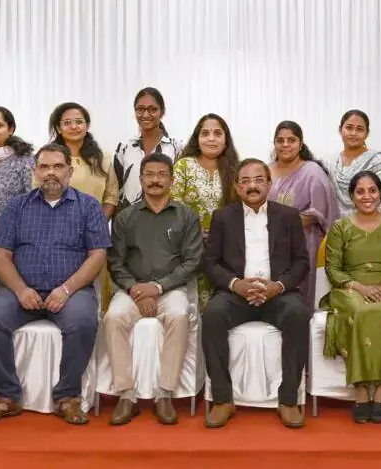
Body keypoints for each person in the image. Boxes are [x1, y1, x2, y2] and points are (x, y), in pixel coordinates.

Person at [0, 143, 111, 426]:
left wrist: (67, 289)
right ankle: (7, 396)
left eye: (58, 167)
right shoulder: (17, 206)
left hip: (71, 292)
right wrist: (21, 289)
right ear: (35, 171)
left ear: (69, 171)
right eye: (44, 167)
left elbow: (98, 255)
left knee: (83, 322)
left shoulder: (88, 207)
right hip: (21, 290)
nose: (51, 173)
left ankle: (67, 398)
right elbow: (0, 254)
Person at [202, 158, 311, 429]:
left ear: (269, 184)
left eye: (258, 180)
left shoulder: (288, 216)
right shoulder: (223, 217)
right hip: (236, 293)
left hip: (278, 293)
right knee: (213, 315)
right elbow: (210, 262)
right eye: (246, 181)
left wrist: (279, 286)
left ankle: (288, 401)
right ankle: (223, 399)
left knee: (298, 314)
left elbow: (301, 262)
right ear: (237, 187)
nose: (252, 186)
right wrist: (235, 284)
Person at [105, 153, 203, 426]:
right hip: (132, 289)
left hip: (170, 289)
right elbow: (115, 260)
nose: (155, 180)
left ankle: (165, 393)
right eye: (149, 174)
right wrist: (136, 289)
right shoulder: (126, 217)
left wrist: (158, 288)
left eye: (162, 175)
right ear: (141, 179)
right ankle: (126, 395)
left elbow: (193, 261)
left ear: (171, 180)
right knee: (113, 318)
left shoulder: (185, 215)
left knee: (179, 316)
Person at [320, 170, 381, 424]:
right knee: (360, 311)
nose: (367, 196)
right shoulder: (340, 226)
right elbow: (333, 268)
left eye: (372, 190)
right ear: (351, 196)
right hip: (349, 289)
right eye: (360, 191)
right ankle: (361, 388)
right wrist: (359, 287)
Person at [171, 113, 242, 308]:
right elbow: (175, 207)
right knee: (189, 306)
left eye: (217, 133)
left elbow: (240, 210)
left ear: (225, 140)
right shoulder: (183, 166)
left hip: (225, 249)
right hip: (188, 247)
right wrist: (196, 233)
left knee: (219, 304)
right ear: (197, 138)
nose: (211, 138)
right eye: (205, 133)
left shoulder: (235, 170)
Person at [268, 120, 337, 309]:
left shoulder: (312, 172)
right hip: (270, 243)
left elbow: (320, 213)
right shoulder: (266, 171)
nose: (285, 144)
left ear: (300, 144)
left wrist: (282, 222)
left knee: (300, 296)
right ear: (274, 144)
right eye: (280, 140)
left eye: (291, 140)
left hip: (304, 243)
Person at [113, 87, 186, 209]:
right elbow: (116, 189)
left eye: (152, 109)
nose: (146, 114)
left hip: (166, 218)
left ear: (162, 112)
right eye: (140, 109)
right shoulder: (125, 147)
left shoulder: (177, 147)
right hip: (129, 220)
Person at [328, 109, 381, 218]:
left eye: (359, 129)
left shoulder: (377, 160)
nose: (353, 133)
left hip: (373, 228)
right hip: (337, 228)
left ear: (367, 133)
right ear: (340, 129)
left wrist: (362, 222)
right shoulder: (331, 163)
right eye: (349, 128)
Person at [47, 102, 119, 219]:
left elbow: (111, 196)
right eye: (67, 123)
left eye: (79, 122)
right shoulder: (48, 159)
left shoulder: (103, 159)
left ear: (87, 126)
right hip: (56, 228)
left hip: (94, 229)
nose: (74, 127)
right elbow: (38, 194)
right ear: (58, 128)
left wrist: (98, 223)